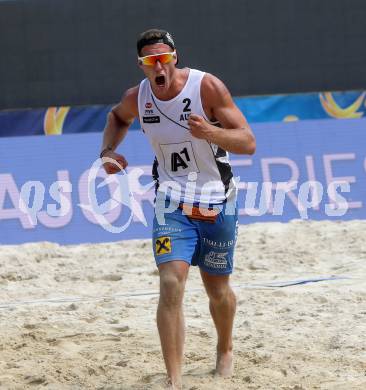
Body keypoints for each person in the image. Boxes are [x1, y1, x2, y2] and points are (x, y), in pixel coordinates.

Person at [100, 29, 256, 389]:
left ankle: (225, 347)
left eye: (164, 58)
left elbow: (248, 142)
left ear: (174, 57)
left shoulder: (206, 87)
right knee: (171, 283)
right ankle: (174, 380)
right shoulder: (137, 98)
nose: (159, 66)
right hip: (170, 203)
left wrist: (212, 134)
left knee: (218, 291)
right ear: (141, 66)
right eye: (150, 61)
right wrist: (107, 151)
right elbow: (117, 118)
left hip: (218, 201)